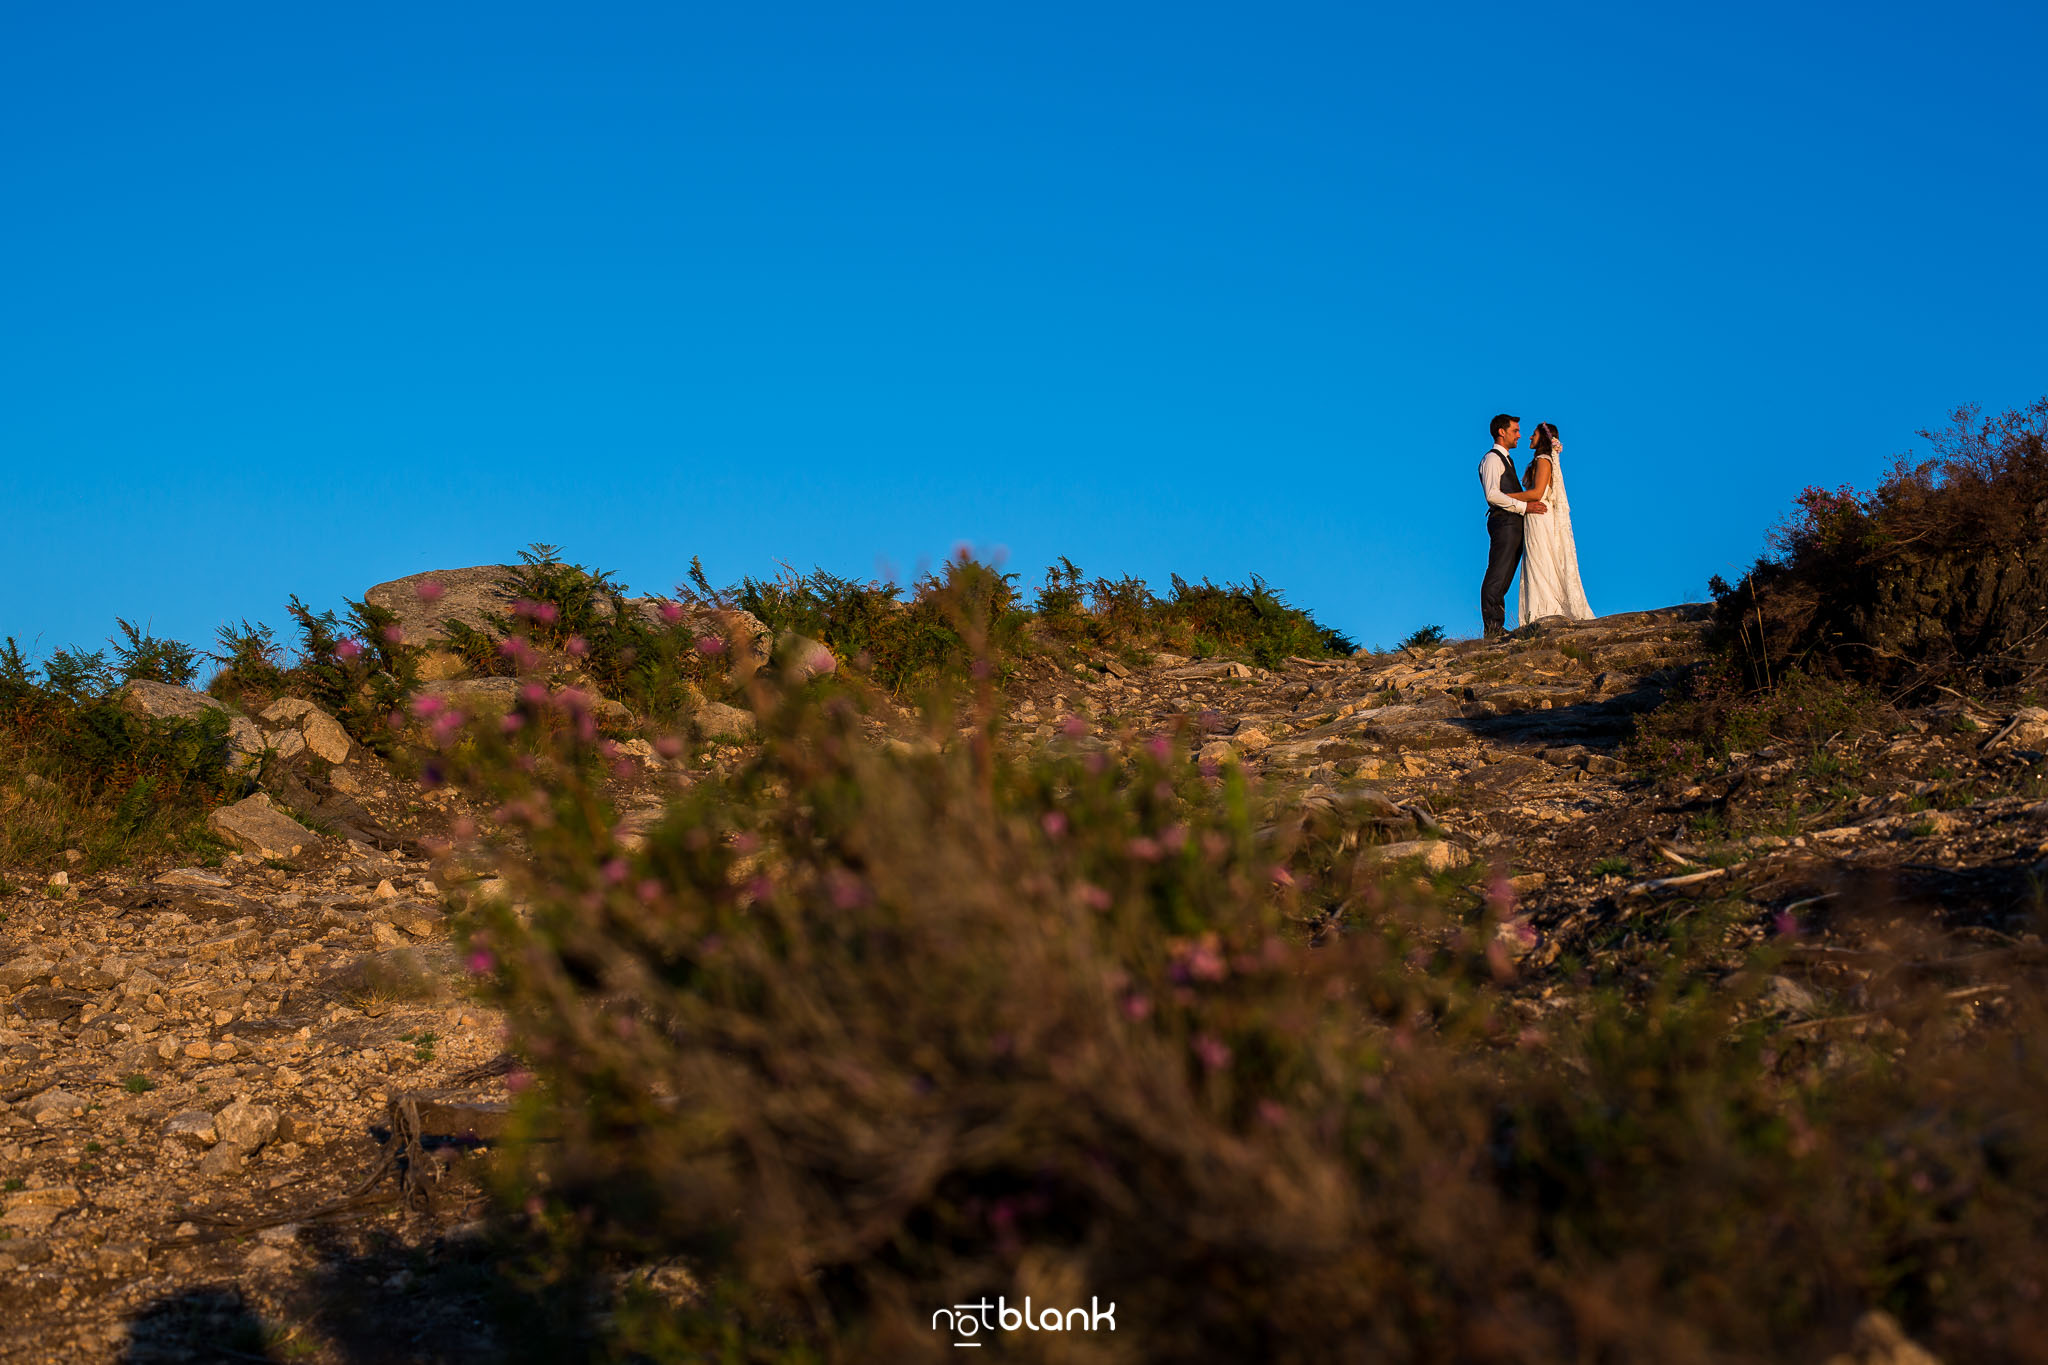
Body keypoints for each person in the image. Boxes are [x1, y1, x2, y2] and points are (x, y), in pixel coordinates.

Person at [1516, 422, 1595, 624]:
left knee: (1541, 561)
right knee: (1538, 561)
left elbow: (1537, 493)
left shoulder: (1543, 460)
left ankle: (1544, 612)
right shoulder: (1540, 461)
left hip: (1539, 515)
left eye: (1533, 434)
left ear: (1542, 438)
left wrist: (1505, 497)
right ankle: (1540, 612)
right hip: (1535, 517)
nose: (1529, 437)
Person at [1478, 414, 1547, 638]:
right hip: (1504, 522)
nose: (1519, 435)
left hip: (1513, 524)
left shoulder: (1507, 460)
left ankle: (1497, 626)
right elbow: (1492, 495)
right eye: (1515, 431)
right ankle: (1493, 629)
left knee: (1505, 576)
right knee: (1497, 574)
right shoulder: (1492, 459)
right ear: (1502, 432)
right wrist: (1524, 507)